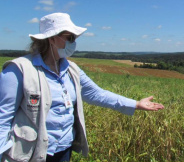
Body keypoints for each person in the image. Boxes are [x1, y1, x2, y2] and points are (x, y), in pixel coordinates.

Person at [0, 13, 164, 162]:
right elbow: (3, 119)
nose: (73, 42)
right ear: (51, 38)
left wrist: (135, 104)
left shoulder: (71, 70)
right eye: (69, 37)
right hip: (30, 154)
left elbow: (96, 94)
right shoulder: (19, 70)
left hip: (64, 150)